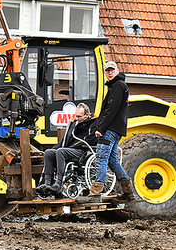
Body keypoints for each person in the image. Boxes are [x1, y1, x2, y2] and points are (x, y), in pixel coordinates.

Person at [78, 61, 136, 204]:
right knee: (112, 160)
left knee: (101, 159)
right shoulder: (119, 86)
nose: (109, 73)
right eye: (107, 71)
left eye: (112, 70)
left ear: (117, 71)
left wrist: (100, 128)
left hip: (110, 130)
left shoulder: (117, 86)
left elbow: (111, 110)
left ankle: (95, 194)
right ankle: (128, 192)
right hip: (117, 130)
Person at [36, 103, 98, 196]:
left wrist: (69, 147)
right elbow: (64, 140)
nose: (77, 118)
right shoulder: (73, 123)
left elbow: (91, 140)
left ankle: (58, 184)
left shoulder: (93, 123)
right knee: (49, 153)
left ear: (87, 115)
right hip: (70, 150)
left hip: (83, 151)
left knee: (61, 152)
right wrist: (54, 149)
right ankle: (47, 183)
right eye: (75, 116)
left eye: (79, 116)